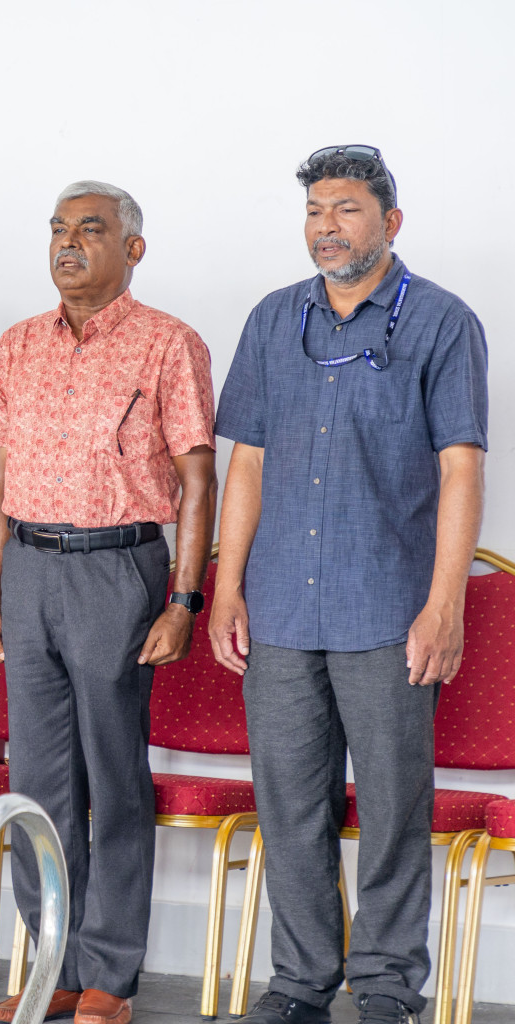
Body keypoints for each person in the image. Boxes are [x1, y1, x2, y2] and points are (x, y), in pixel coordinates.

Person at [211, 147, 487, 1024]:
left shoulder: (443, 323)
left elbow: (461, 469)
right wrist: (226, 588)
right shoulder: (271, 320)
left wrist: (446, 604)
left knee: (396, 810)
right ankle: (299, 983)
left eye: (348, 210)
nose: (327, 226)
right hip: (282, 607)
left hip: (388, 609)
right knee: (290, 805)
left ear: (391, 222)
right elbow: (245, 461)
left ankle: (385, 988)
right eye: (315, 211)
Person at [0, 182, 217, 1024]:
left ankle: (110, 976)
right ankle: (52, 971)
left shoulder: (167, 344)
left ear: (132, 249)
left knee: (112, 780)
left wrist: (184, 598)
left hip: (119, 569)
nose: (69, 243)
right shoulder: (17, 344)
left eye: (92, 230)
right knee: (37, 783)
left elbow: (195, 476)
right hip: (30, 569)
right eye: (58, 230)